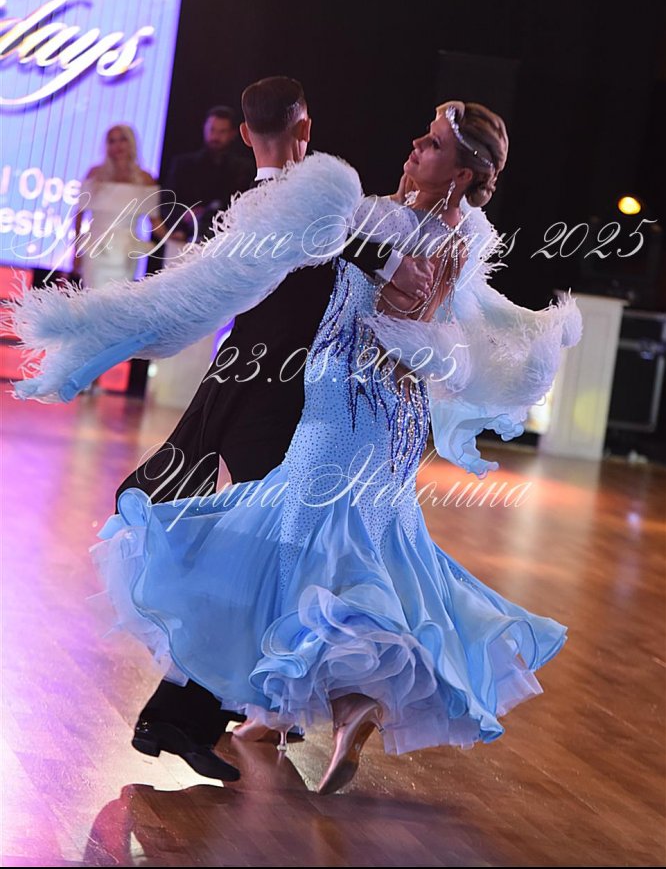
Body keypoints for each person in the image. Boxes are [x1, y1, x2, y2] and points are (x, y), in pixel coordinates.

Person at [9, 97, 582, 794]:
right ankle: (288, 705)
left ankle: (328, 702)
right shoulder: (445, 230)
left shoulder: (392, 224)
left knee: (287, 547)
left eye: (432, 144)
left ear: (460, 174)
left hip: (345, 409)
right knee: (348, 551)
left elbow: (362, 279)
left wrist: (350, 236)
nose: (414, 145)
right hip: (393, 421)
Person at [117, 76, 435, 780]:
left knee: (251, 549)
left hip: (242, 383)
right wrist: (395, 264)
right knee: (251, 551)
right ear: (305, 129)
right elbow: (343, 243)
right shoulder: (312, 205)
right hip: (277, 397)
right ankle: (190, 712)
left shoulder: (252, 204)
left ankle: (205, 712)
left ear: (246, 133)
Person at [73, 124, 161, 289]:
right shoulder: (94, 174)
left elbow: (155, 221)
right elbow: (78, 215)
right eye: (112, 141)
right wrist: (75, 251)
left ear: (131, 142)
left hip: (125, 251)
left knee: (118, 297)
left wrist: (177, 239)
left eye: (122, 140)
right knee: (92, 295)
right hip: (96, 248)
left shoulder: (146, 179)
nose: (118, 146)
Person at [160, 105, 254, 247]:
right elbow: (165, 203)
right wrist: (185, 214)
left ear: (233, 134)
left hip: (226, 243)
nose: (215, 137)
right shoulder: (183, 165)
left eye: (222, 131)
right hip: (183, 241)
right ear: (204, 128)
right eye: (212, 130)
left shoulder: (243, 169)